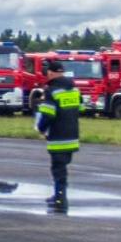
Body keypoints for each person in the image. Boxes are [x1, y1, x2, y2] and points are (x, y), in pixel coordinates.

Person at [36, 61, 82, 215]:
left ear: (50, 73)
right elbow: (81, 108)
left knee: (58, 169)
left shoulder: (51, 90)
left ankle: (60, 198)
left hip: (57, 137)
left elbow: (48, 114)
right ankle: (59, 195)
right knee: (63, 166)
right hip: (73, 135)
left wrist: (41, 128)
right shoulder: (74, 89)